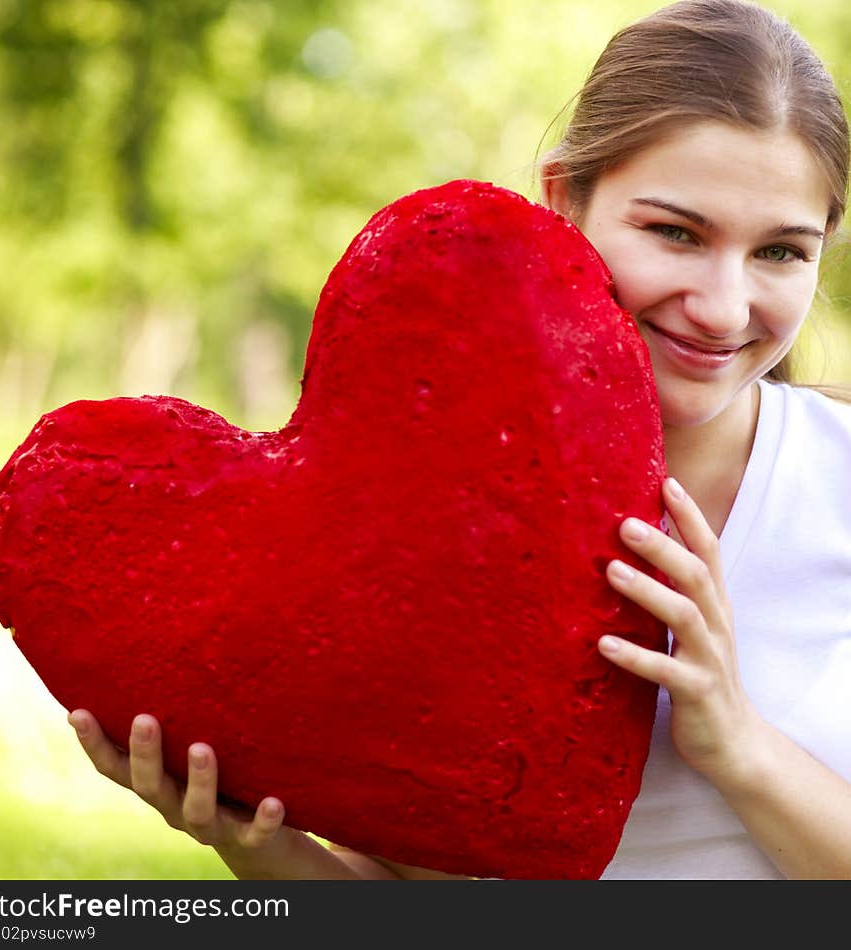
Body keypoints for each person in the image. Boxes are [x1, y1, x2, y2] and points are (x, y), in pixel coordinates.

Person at [68, 0, 851, 879]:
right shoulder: (435, 482)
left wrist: (737, 745)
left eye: (781, 252)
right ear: (563, 201)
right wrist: (257, 845)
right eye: (675, 232)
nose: (723, 306)